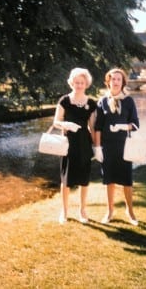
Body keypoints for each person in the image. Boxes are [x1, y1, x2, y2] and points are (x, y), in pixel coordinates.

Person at [94, 68, 139, 226]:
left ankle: (130, 211)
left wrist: (123, 127)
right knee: (109, 180)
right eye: (113, 79)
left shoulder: (128, 101)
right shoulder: (102, 101)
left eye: (119, 79)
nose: (116, 81)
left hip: (124, 147)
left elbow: (135, 125)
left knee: (127, 181)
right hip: (107, 147)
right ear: (108, 81)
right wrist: (97, 148)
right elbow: (97, 127)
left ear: (123, 82)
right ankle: (110, 211)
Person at [53, 67, 96, 224]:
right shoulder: (64, 101)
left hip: (84, 144)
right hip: (68, 144)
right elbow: (56, 122)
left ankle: (82, 210)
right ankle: (64, 212)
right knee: (66, 180)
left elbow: (92, 127)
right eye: (76, 82)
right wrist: (67, 124)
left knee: (84, 179)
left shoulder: (91, 103)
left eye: (82, 82)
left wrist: (97, 147)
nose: (79, 85)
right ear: (71, 83)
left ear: (86, 84)